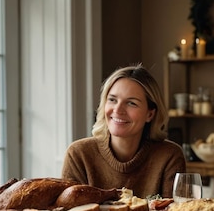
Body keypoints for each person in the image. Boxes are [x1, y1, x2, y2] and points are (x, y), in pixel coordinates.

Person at [61, 65, 185, 198]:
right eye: (112, 100)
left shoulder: (169, 156)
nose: (118, 110)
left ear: (150, 114)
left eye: (131, 103)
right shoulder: (78, 155)